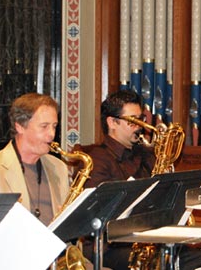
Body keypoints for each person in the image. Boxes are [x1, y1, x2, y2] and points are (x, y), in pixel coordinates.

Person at [0, 93, 71, 226]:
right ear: (19, 126)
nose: (51, 134)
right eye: (44, 126)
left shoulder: (59, 167)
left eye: (54, 126)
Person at [82, 89, 156, 270]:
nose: (139, 126)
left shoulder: (146, 154)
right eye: (133, 121)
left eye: (141, 119)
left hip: (142, 239)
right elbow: (95, 214)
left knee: (199, 256)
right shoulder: (97, 159)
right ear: (112, 122)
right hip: (108, 247)